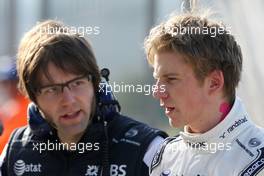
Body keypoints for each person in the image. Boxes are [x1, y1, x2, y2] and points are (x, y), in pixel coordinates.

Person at [0, 20, 167, 176]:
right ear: (33, 97)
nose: (68, 100)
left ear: (95, 83)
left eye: (77, 83)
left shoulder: (147, 148)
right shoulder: (15, 151)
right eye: (52, 89)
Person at [144, 11, 264, 176]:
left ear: (214, 83)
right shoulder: (166, 155)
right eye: (157, 79)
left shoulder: (257, 162)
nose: (157, 92)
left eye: (171, 79)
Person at [0, 59, 28, 153]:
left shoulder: (30, 106)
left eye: (12, 82)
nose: (8, 87)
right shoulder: (8, 107)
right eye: (5, 83)